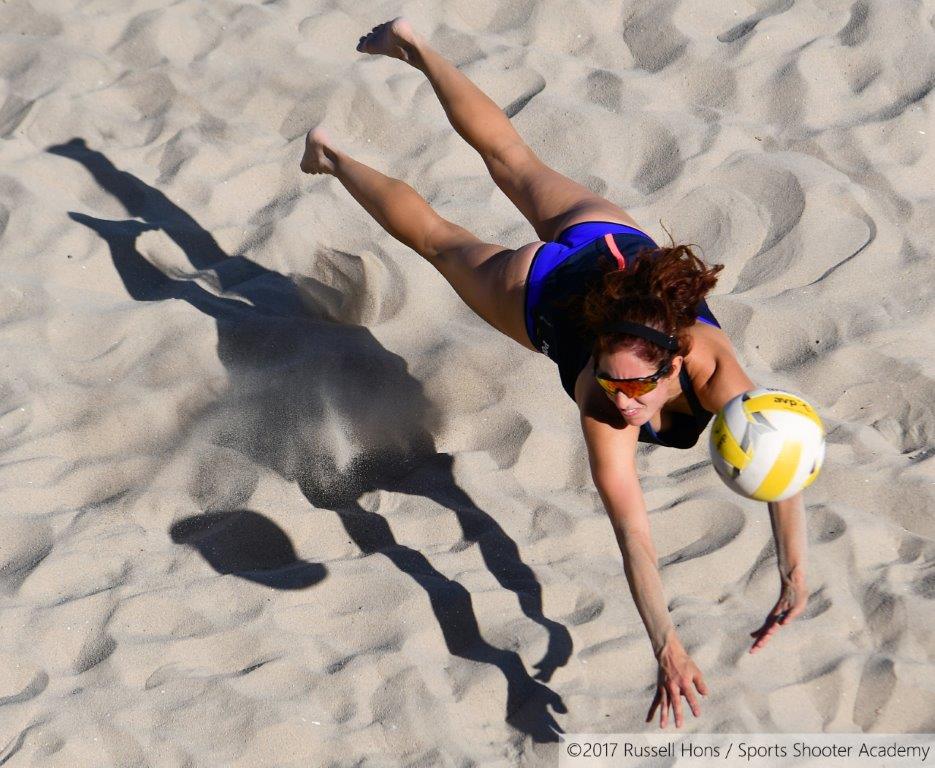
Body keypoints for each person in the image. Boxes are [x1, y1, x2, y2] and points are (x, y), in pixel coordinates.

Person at [300, 17, 810, 729]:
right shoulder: (603, 405)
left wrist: (792, 567)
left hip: (616, 244)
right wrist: (666, 644)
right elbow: (635, 539)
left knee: (512, 157)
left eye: (635, 386)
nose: (622, 401)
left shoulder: (713, 366)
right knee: (440, 240)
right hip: (541, 288)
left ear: (675, 363)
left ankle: (411, 43)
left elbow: (778, 449)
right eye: (611, 379)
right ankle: (331, 153)